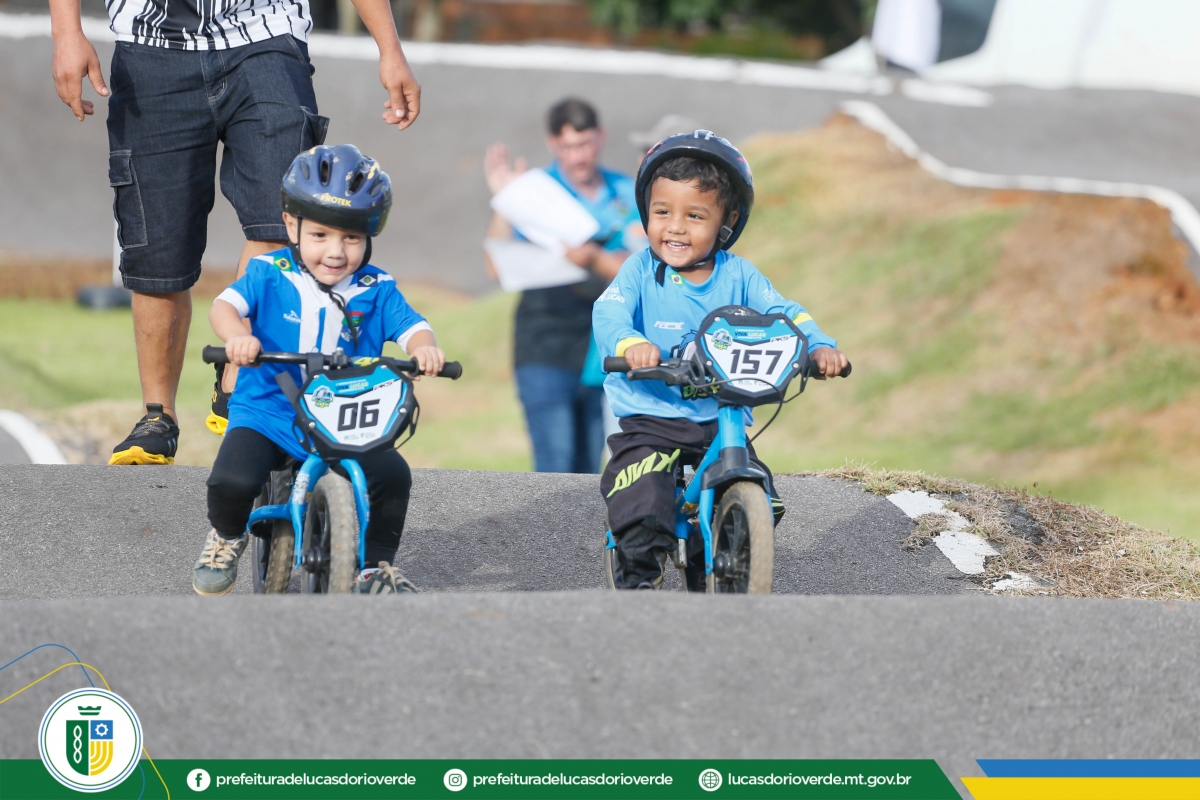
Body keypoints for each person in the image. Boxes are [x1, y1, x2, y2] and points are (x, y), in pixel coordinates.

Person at [48, 0, 423, 466]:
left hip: (266, 35)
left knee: (283, 219)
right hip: (151, 47)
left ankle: (236, 382)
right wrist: (66, 33)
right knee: (159, 252)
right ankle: (157, 416)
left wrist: (390, 49)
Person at [593, 131, 851, 590]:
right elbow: (608, 311)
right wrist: (630, 343)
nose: (675, 228)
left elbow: (787, 314)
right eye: (662, 213)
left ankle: (718, 553)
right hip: (653, 413)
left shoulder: (740, 275)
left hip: (721, 413)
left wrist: (818, 346)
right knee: (642, 498)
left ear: (727, 222)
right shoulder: (640, 270)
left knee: (762, 496)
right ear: (646, 212)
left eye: (694, 216)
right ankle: (636, 578)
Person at [192, 145, 445, 596]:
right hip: (268, 410)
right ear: (292, 225)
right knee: (232, 480)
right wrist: (237, 337)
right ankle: (226, 537)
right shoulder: (270, 271)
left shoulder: (376, 287)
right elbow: (224, 307)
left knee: (392, 476)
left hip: (346, 416)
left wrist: (425, 350)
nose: (335, 252)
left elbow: (413, 328)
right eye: (321, 235)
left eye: (352, 238)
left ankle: (373, 568)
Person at [483, 98, 644, 474]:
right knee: (555, 463)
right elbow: (495, 265)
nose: (578, 156)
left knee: (591, 469)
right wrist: (506, 201)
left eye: (585, 144)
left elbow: (639, 268)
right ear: (552, 143)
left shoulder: (625, 191)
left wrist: (592, 257)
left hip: (603, 350)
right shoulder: (535, 190)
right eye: (568, 147)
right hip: (545, 344)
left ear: (600, 137)